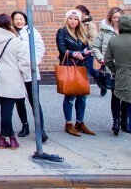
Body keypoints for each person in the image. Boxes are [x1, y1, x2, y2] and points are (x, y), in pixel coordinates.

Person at [0, 14, 31, 149]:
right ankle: (2, 137)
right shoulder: (15, 40)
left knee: (4, 108)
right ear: (9, 24)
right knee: (7, 110)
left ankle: (10, 137)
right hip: (14, 78)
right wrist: (27, 76)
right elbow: (24, 62)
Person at [56, 9, 95, 137]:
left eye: (75, 19)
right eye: (70, 18)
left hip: (82, 66)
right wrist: (74, 54)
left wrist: (84, 53)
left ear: (79, 21)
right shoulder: (62, 32)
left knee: (82, 95)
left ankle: (80, 122)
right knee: (71, 95)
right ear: (67, 19)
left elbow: (86, 49)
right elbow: (62, 50)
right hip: (70, 66)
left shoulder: (81, 34)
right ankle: (69, 123)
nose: (73, 21)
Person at [11, 10, 47, 142]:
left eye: (21, 19)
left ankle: (40, 128)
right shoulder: (11, 32)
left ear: (25, 20)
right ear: (13, 21)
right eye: (16, 19)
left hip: (31, 70)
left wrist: (34, 62)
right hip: (16, 71)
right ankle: (25, 125)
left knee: (34, 100)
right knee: (19, 100)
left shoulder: (32, 31)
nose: (19, 21)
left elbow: (39, 47)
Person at [93, 7, 124, 135]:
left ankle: (125, 121)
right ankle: (116, 121)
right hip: (111, 68)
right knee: (116, 95)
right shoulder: (104, 33)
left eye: (119, 17)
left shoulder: (126, 31)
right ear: (110, 18)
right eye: (114, 17)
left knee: (127, 96)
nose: (117, 20)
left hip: (126, 67)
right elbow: (95, 47)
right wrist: (101, 59)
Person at [104, 14, 131, 135]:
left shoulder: (114, 40)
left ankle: (118, 122)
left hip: (121, 76)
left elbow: (108, 60)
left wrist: (116, 69)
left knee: (120, 99)